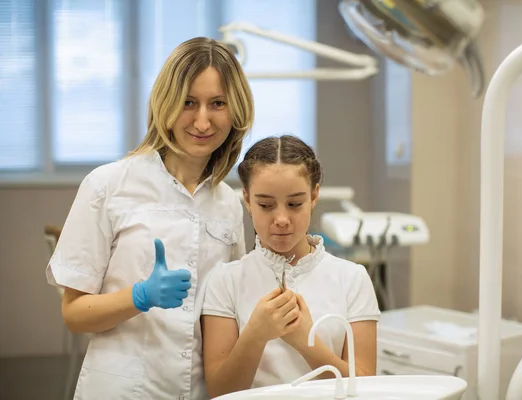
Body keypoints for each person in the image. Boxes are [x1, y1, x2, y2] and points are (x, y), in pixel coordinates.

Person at [45, 37, 254, 400]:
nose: (202, 120)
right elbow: (74, 315)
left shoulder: (228, 205)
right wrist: (140, 296)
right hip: (122, 389)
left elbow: (226, 313)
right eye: (189, 102)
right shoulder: (108, 185)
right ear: (166, 104)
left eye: (217, 104)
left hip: (199, 390)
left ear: (234, 111)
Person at [200, 135, 380, 398]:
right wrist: (255, 334)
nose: (282, 219)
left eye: (295, 204)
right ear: (248, 201)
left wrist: (306, 341)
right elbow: (220, 392)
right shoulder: (225, 281)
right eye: (266, 205)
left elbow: (365, 391)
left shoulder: (352, 279)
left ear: (314, 195)